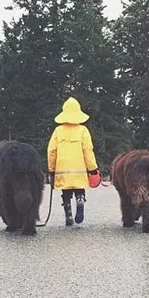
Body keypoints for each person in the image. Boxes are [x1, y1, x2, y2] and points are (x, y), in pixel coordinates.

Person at [47, 97, 99, 226]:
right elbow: (88, 150)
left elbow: (51, 150)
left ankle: (68, 214)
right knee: (79, 188)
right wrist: (92, 168)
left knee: (66, 190)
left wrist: (51, 169)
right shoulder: (83, 130)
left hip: (62, 168)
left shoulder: (58, 131)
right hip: (79, 168)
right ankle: (80, 200)